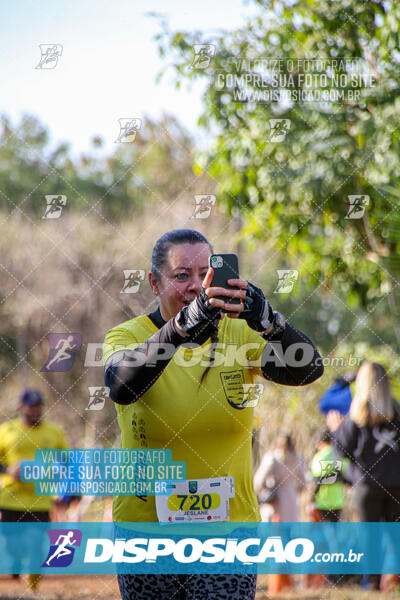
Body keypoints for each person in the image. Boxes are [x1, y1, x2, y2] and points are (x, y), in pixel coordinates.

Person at [103, 229, 324, 600]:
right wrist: (183, 326)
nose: (195, 286)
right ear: (154, 284)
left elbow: (309, 368)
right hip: (147, 533)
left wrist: (268, 319)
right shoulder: (127, 335)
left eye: (204, 274)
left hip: (228, 533)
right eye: (181, 275)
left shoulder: (238, 335)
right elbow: (121, 385)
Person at [327, 361, 400, 590]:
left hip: (366, 486)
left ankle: (373, 583)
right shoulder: (397, 411)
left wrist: (335, 430)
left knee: (370, 537)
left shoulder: (355, 415)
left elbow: (340, 453)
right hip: (396, 484)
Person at [0, 389, 68, 590]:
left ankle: (33, 586)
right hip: (11, 497)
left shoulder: (54, 432)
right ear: (21, 407)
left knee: (37, 541)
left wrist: (56, 469)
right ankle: (17, 560)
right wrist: (8, 470)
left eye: (38, 406)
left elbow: (66, 459)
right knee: (13, 544)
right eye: (31, 406)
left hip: (40, 498)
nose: (35, 410)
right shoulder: (6, 431)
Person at [254, 431, 305, 522]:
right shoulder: (298, 459)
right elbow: (303, 483)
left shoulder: (272, 458)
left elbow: (258, 481)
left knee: (273, 532)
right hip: (292, 500)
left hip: (274, 500)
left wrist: (263, 490)